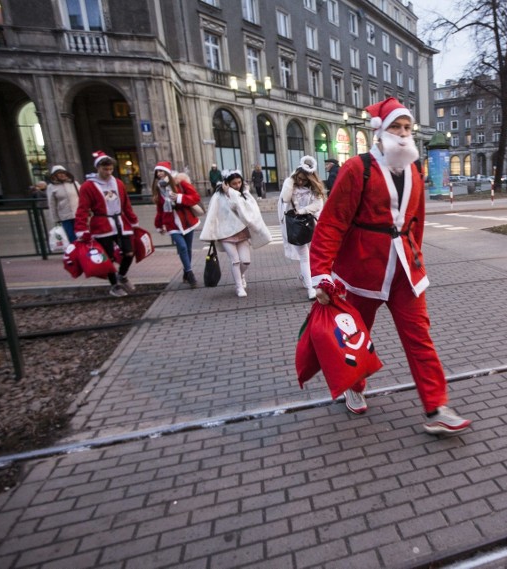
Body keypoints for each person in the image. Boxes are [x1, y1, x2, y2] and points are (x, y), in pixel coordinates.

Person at [309, 97, 471, 436]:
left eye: (407, 128)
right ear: (380, 132)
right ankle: (354, 385)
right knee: (355, 338)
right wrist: (322, 272)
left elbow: (417, 223)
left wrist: (416, 258)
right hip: (361, 272)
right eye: (395, 127)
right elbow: (332, 223)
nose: (402, 133)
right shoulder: (358, 168)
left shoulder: (414, 170)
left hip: (404, 274)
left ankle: (437, 406)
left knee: (420, 338)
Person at [74, 151, 140, 297]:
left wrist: (133, 220)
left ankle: (121, 276)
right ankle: (114, 285)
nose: (108, 172)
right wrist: (81, 229)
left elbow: (126, 204)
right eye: (105, 169)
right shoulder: (88, 186)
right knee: (107, 257)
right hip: (101, 225)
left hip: (120, 222)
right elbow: (82, 209)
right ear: (98, 168)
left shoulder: (118, 183)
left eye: (110, 169)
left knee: (129, 252)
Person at [199, 170, 271, 297]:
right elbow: (213, 214)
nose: (237, 185)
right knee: (235, 261)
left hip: (242, 231)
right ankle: (239, 286)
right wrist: (210, 232)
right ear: (227, 183)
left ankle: (241, 274)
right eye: (234, 183)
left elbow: (248, 211)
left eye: (239, 182)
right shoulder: (218, 196)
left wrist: (235, 192)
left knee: (246, 261)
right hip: (225, 233)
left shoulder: (243, 194)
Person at [279, 156, 326, 300]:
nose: (300, 182)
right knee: (304, 255)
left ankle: (304, 276)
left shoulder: (313, 189)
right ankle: (311, 288)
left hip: (311, 222)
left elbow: (318, 205)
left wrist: (303, 211)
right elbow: (285, 199)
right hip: (295, 224)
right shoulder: (291, 184)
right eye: (298, 178)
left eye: (304, 180)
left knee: (314, 253)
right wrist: (289, 182)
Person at [152, 161, 201, 288]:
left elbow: (195, 197)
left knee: (188, 248)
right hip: (171, 223)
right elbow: (160, 209)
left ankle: (186, 270)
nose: (159, 174)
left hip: (186, 220)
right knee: (182, 247)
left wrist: (179, 197)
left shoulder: (180, 182)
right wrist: (158, 224)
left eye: (161, 171)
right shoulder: (158, 188)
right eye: (157, 172)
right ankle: (190, 274)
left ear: (168, 172)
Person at [46, 165, 80, 242]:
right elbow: (52, 204)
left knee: (81, 235)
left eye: (63, 173)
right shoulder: (51, 187)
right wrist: (55, 219)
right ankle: (74, 252)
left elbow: (82, 197)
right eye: (59, 173)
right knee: (71, 238)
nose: (62, 175)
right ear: (55, 175)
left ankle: (83, 252)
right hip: (64, 216)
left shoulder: (74, 183)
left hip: (78, 214)